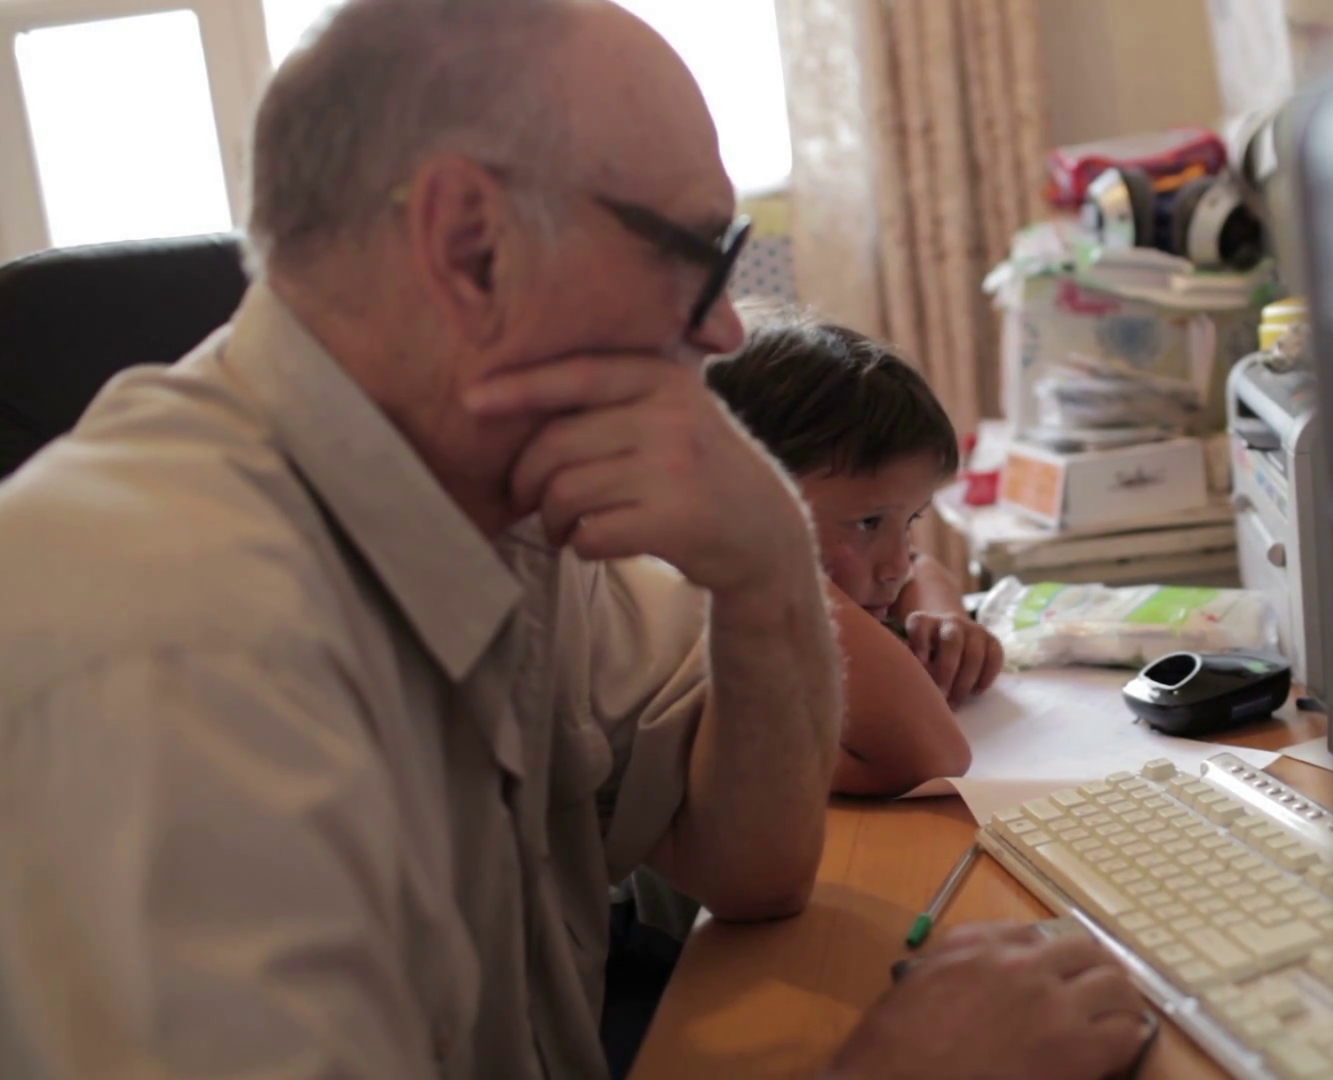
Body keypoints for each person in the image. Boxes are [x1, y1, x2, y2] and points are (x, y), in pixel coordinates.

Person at [0, 1, 1150, 1078]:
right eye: (696, 255)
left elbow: (754, 869)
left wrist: (766, 567)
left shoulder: (502, 512)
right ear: (470, 245)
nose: (726, 326)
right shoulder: (172, 644)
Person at [706, 314, 1002, 795]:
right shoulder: (712, 607)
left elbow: (920, 568)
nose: (895, 565)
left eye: (911, 520)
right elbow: (934, 757)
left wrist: (941, 616)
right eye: (868, 523)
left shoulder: (850, 577)